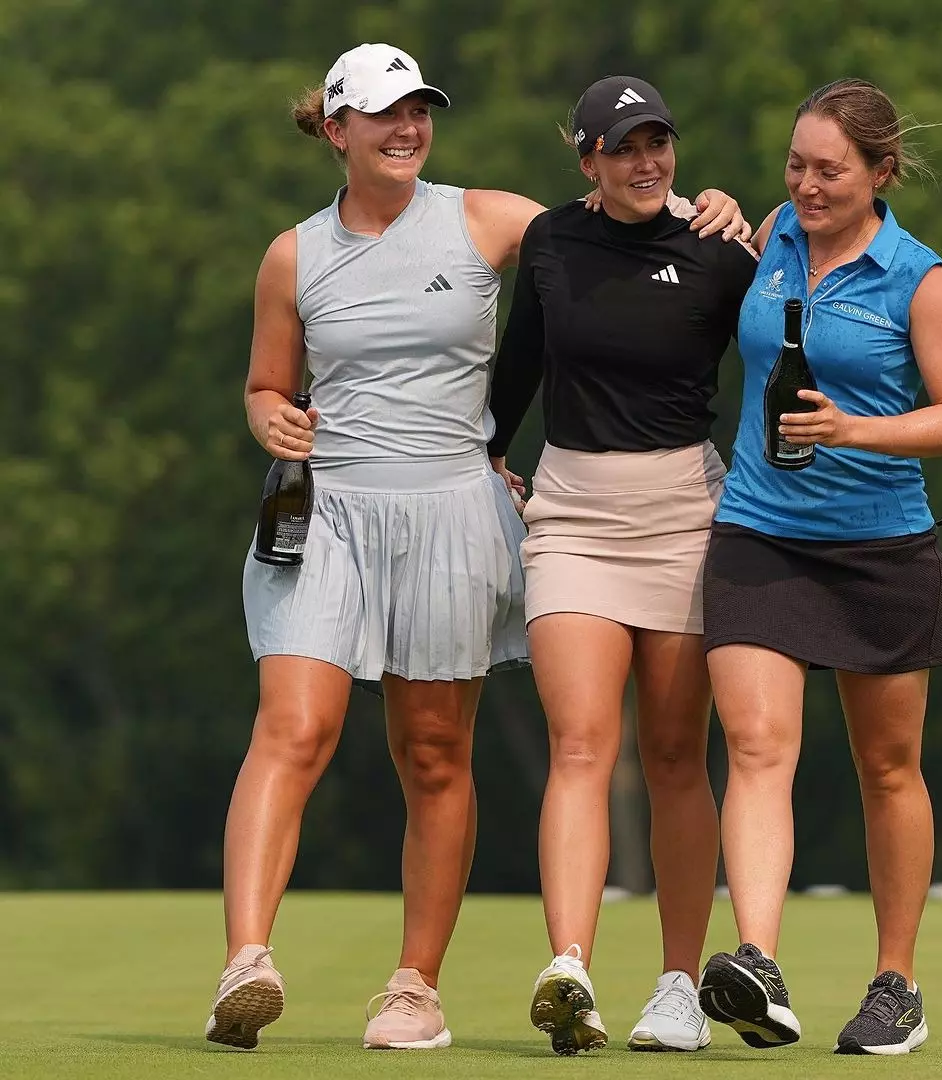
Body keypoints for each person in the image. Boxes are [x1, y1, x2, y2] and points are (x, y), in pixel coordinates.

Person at [204, 44, 749, 1052]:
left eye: (419, 112)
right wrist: (269, 417)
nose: (408, 130)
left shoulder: (491, 219)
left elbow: (611, 222)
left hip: (453, 512)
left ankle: (414, 989)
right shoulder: (293, 255)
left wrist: (706, 206)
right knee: (294, 725)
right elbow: (267, 385)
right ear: (336, 132)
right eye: (384, 116)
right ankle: (247, 961)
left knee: (434, 750)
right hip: (323, 511)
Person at [695, 78, 942, 1056]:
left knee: (887, 767)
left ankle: (895, 986)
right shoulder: (776, 234)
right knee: (758, 745)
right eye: (796, 164)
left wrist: (856, 427)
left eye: (830, 170)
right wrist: (733, 211)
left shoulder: (920, 279)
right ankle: (758, 965)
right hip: (758, 532)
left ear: (880, 174)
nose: (807, 186)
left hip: (882, 548)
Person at [486, 76, 759, 1055]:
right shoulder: (554, 241)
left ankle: (680, 986)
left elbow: (776, 357)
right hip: (572, 517)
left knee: (679, 756)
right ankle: (570, 966)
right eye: (626, 146)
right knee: (580, 743)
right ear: (588, 160)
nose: (649, 162)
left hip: (687, 515)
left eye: (661, 143)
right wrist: (485, 453)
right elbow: (520, 356)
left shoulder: (721, 249)